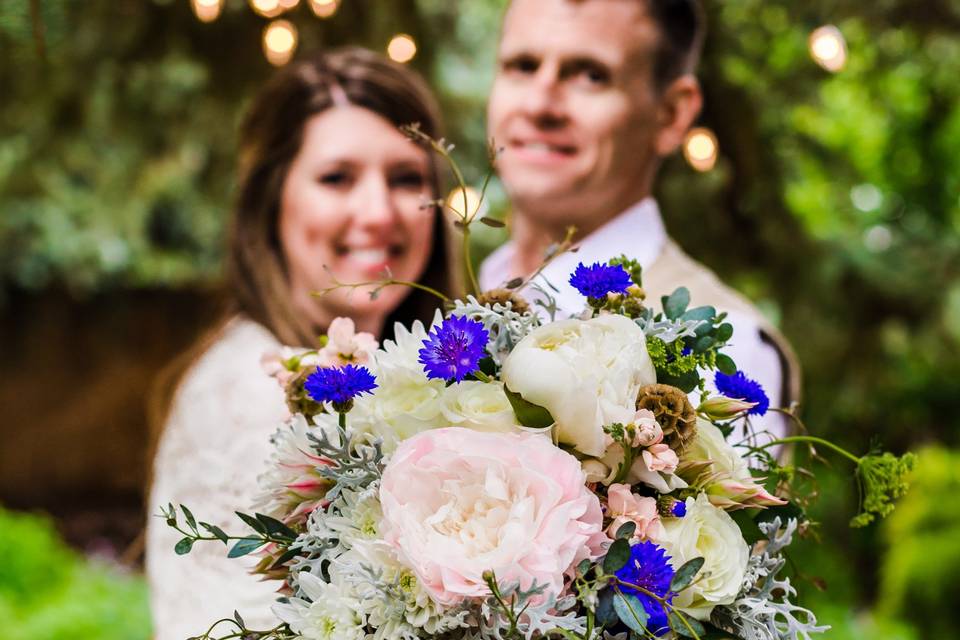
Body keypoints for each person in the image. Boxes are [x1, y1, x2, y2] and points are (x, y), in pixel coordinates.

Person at [145, 47, 456, 640]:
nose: (378, 211)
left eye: (406, 178)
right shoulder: (254, 393)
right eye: (337, 178)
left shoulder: (413, 376)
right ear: (272, 201)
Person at [480, 0, 799, 436]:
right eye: (522, 65)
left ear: (671, 115)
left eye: (591, 75)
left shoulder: (728, 349)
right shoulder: (462, 288)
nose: (539, 103)